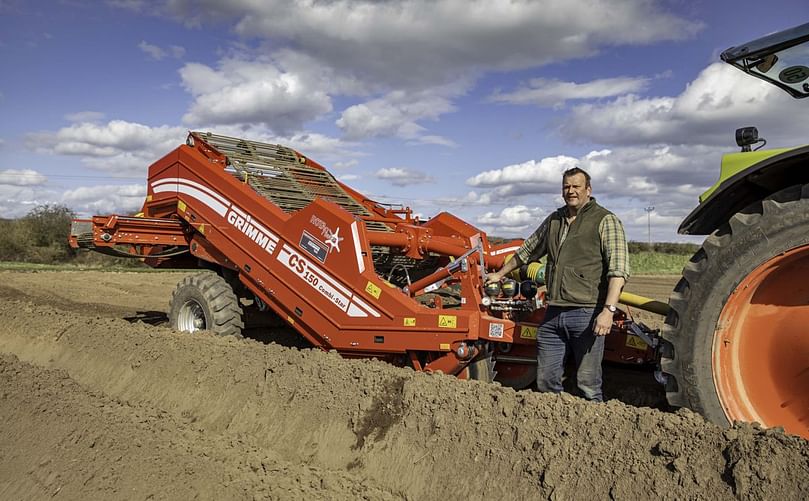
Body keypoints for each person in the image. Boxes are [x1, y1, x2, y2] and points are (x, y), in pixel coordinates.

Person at [487, 167, 629, 402]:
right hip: (553, 313)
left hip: (587, 313)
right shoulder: (554, 220)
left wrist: (608, 311)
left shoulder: (605, 220)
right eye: (566, 187)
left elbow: (619, 269)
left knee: (588, 384)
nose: (571, 191)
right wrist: (500, 274)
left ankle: (593, 430)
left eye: (576, 186)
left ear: (588, 190)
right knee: (546, 381)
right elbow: (527, 251)